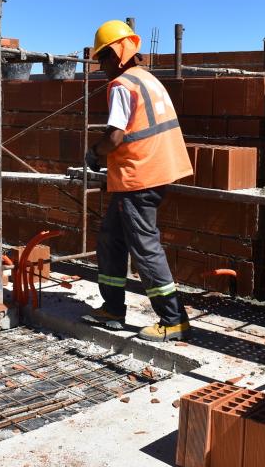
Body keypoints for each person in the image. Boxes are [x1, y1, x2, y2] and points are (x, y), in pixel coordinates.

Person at [80, 20, 194, 342]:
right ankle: (113, 308)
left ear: (117, 53)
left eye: (102, 57)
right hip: (153, 172)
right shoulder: (148, 79)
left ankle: (174, 320)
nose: (100, 66)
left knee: (144, 248)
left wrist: (94, 153)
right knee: (111, 238)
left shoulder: (121, 85)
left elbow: (115, 138)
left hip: (138, 177)